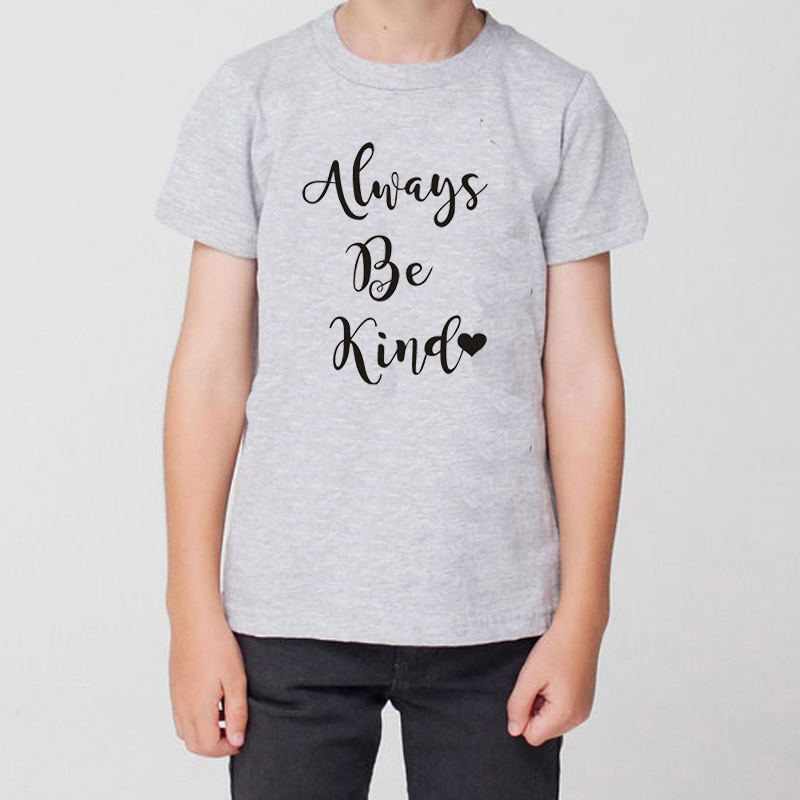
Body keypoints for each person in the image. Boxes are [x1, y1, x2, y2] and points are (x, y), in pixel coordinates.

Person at [154, 1, 648, 797]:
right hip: (288, 611)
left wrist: (585, 614)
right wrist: (191, 610)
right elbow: (210, 371)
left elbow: (584, 377)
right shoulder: (256, 95)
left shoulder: (557, 105)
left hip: (496, 619)